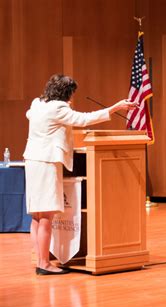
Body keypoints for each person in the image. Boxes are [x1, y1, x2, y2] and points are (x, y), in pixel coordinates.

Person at [23, 74, 137, 275]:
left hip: (32, 160)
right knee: (47, 215)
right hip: (47, 163)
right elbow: (84, 119)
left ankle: (40, 260)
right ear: (67, 94)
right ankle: (44, 264)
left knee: (37, 215)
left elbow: (29, 115)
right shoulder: (59, 108)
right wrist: (115, 107)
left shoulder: (37, 104)